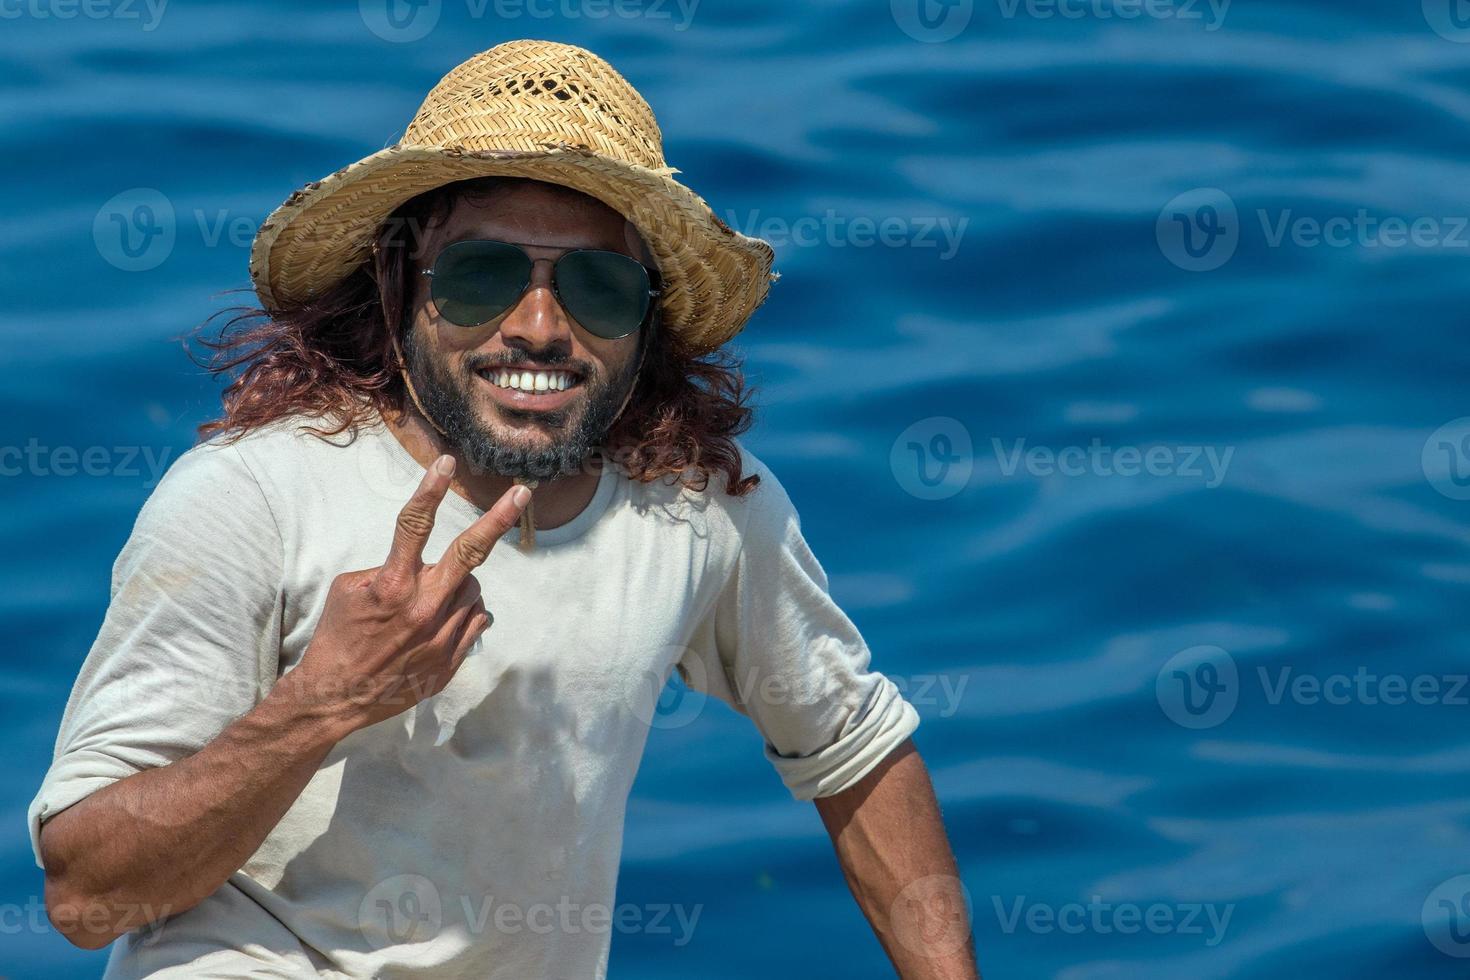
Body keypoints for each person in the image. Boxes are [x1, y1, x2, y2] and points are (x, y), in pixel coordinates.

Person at [31, 39, 977, 978]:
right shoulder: (249, 497)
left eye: (597, 287)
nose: (537, 326)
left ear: (647, 322)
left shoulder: (702, 509)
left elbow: (855, 752)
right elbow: (84, 899)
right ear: (402, 289)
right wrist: (321, 705)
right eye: (483, 276)